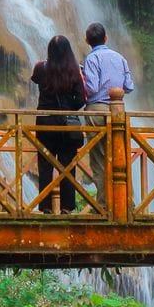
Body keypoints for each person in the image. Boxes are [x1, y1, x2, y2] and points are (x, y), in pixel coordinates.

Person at [31, 35, 87, 214]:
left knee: (45, 164)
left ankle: (46, 207)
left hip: (45, 121)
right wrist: (68, 108)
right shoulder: (75, 71)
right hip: (67, 124)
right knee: (67, 165)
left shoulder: (40, 68)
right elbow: (81, 99)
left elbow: (36, 79)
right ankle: (66, 207)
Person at [82, 22, 133, 206]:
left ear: (87, 41)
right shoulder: (120, 58)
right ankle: (126, 202)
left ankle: (104, 204)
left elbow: (92, 88)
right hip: (118, 111)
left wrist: (82, 78)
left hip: (97, 110)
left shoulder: (91, 59)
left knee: (99, 158)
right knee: (120, 156)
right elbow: (129, 86)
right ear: (106, 38)